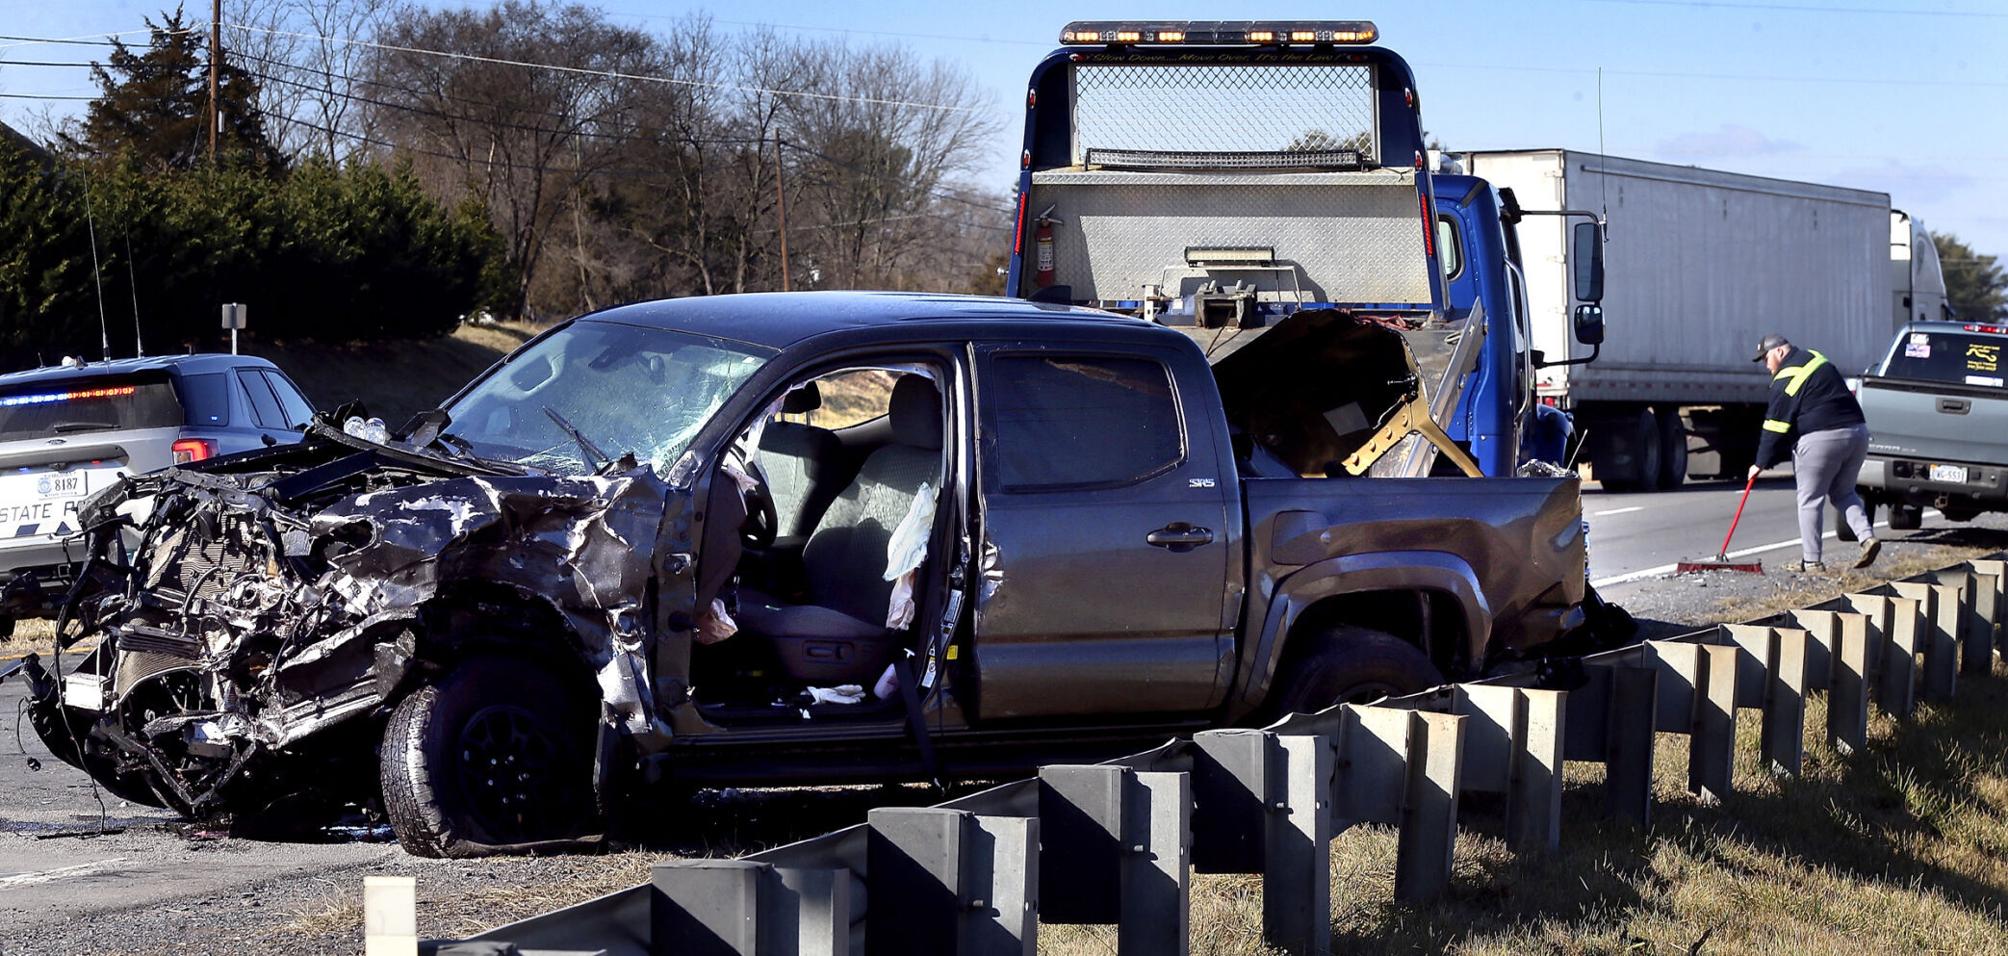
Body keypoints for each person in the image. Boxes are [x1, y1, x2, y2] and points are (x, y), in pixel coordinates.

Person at [1748, 333, 1878, 572]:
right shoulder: (1815, 357)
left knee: (1809, 500)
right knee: (1843, 492)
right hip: (1857, 433)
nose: (1766, 366)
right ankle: (1867, 537)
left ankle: (1812, 562)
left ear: (1779, 352)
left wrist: (1760, 463)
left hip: (1821, 438)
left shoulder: (1785, 378)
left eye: (1766, 359)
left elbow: (1775, 425)